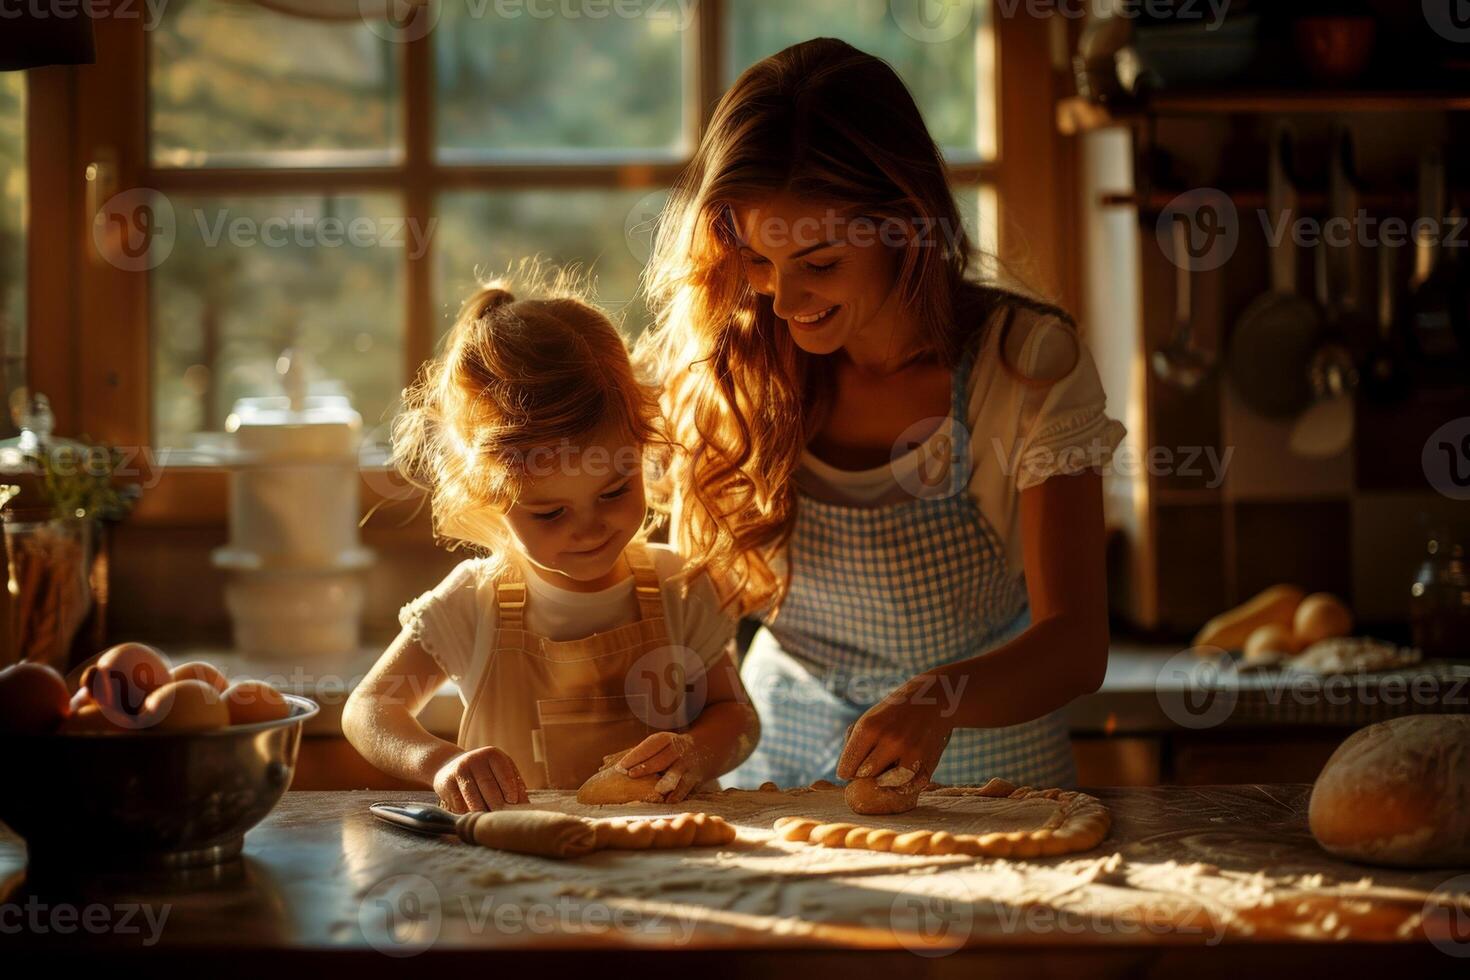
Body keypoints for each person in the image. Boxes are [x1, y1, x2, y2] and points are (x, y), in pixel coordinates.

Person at [636, 38, 1125, 791]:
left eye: (821, 263)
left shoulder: (1026, 363)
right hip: (779, 764)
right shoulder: (736, 366)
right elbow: (679, 607)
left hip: (984, 770)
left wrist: (934, 700)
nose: (783, 301)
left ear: (905, 225)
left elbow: (1075, 645)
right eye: (760, 262)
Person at [344, 270, 758, 811]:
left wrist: (696, 752)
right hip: (519, 874)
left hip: (674, 859)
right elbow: (369, 709)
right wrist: (439, 763)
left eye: (613, 492)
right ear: (490, 496)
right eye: (550, 511)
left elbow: (737, 717)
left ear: (643, 453)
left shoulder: (680, 585)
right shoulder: (476, 602)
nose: (587, 528)